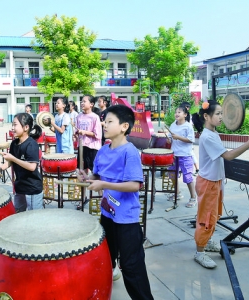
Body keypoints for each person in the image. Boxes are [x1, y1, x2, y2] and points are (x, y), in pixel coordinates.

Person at [76, 105, 154, 300]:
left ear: (124, 126)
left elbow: (135, 185)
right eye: (104, 120)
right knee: (106, 258)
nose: (104, 124)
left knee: (131, 267)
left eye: (109, 121)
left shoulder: (130, 152)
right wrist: (87, 178)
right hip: (108, 214)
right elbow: (97, 175)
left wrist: (104, 183)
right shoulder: (103, 150)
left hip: (126, 219)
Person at [193, 100, 249, 269]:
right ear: (206, 116)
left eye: (221, 113)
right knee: (206, 219)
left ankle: (206, 242)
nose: (221, 117)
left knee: (214, 215)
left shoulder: (213, 134)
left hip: (214, 182)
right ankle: (199, 252)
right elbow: (229, 156)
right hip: (208, 183)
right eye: (217, 114)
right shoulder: (208, 137)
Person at [0, 113, 43, 212]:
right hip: (19, 186)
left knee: (35, 217)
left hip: (32, 188)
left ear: (26, 127)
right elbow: (10, 162)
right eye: (12, 125)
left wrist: (14, 159)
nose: (12, 128)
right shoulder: (14, 143)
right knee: (19, 214)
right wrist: (0, 168)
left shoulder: (31, 144)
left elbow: (32, 167)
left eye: (15, 125)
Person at [166, 105, 197, 208]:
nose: (177, 114)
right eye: (176, 112)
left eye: (179, 112)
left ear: (185, 115)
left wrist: (178, 137)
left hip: (185, 155)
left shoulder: (188, 126)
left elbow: (191, 140)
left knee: (188, 177)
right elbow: (170, 138)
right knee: (172, 175)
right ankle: (177, 193)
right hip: (174, 155)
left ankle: (193, 197)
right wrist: (169, 140)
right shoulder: (172, 125)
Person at [75, 95, 102, 207]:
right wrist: (76, 133)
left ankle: (101, 199)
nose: (82, 103)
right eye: (81, 101)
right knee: (82, 173)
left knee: (96, 173)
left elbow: (98, 135)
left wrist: (84, 132)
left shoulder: (95, 117)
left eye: (84, 101)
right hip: (82, 147)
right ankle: (83, 198)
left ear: (91, 104)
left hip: (93, 148)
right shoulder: (79, 116)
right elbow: (77, 131)